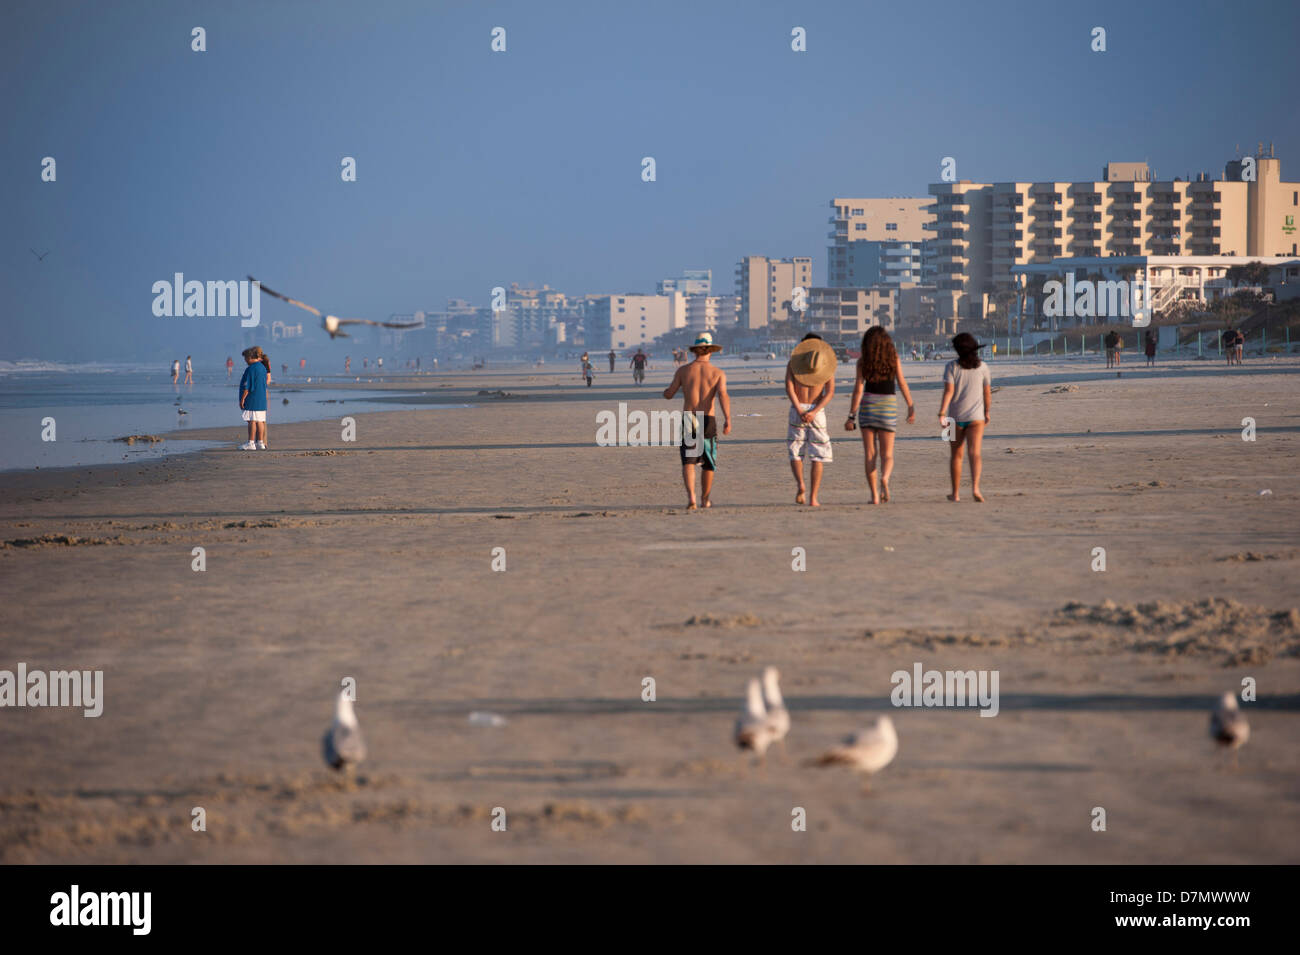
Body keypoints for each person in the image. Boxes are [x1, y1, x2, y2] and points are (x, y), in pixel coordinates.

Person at [846, 326, 916, 504]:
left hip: (868, 406)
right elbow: (901, 382)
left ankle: (874, 496)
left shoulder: (862, 362)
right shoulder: (893, 358)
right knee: (888, 455)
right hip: (888, 406)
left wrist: (851, 416)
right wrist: (910, 405)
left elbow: (858, 389)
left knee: (870, 454)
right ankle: (885, 478)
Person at [663, 332, 731, 510]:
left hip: (689, 418)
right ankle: (705, 499)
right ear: (710, 351)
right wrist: (728, 419)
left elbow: (669, 394)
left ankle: (691, 498)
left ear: (695, 351)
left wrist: (665, 392)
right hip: (708, 420)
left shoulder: (683, 370)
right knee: (708, 463)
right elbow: (723, 395)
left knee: (689, 461)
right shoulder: (717, 373)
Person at [937, 333, 992, 503]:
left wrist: (941, 413)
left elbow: (949, 392)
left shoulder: (951, 367)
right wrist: (987, 412)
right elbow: (987, 393)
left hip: (953, 418)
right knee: (975, 453)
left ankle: (955, 494)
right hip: (977, 417)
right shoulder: (983, 367)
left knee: (956, 455)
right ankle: (975, 488)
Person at [785, 334, 836, 507]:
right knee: (818, 454)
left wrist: (799, 409)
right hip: (817, 411)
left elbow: (789, 388)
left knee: (795, 451)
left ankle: (801, 484)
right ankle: (813, 498)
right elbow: (829, 392)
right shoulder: (826, 367)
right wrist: (814, 411)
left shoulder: (793, 365)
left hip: (797, 408)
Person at [238, 347, 270, 451]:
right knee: (260, 421)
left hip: (253, 398)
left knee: (252, 421)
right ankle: (260, 442)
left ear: (251, 357)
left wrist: (242, 399)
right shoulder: (262, 367)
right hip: (261, 398)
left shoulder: (251, 368)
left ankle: (251, 442)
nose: (245, 361)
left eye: (246, 358)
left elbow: (247, 385)